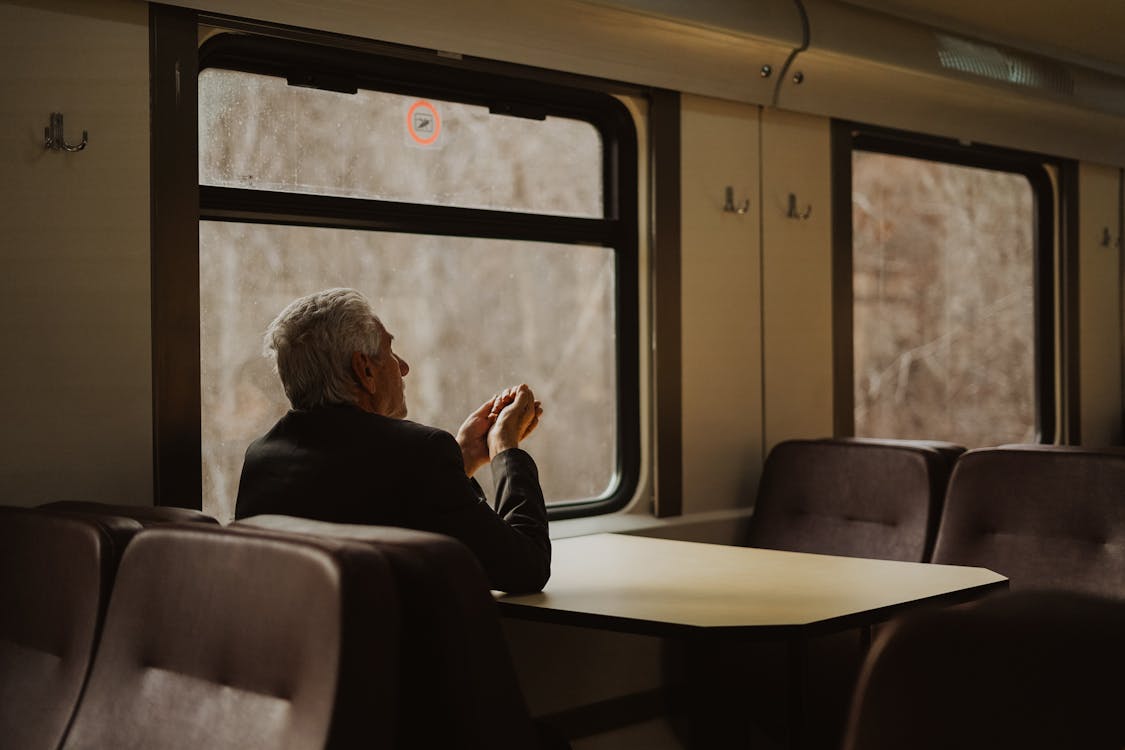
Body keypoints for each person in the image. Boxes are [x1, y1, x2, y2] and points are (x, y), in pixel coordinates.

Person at [234, 288, 550, 593]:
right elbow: (526, 567)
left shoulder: (261, 459)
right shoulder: (420, 453)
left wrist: (462, 458)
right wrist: (505, 450)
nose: (403, 367)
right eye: (389, 352)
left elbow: (378, 505)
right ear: (365, 370)